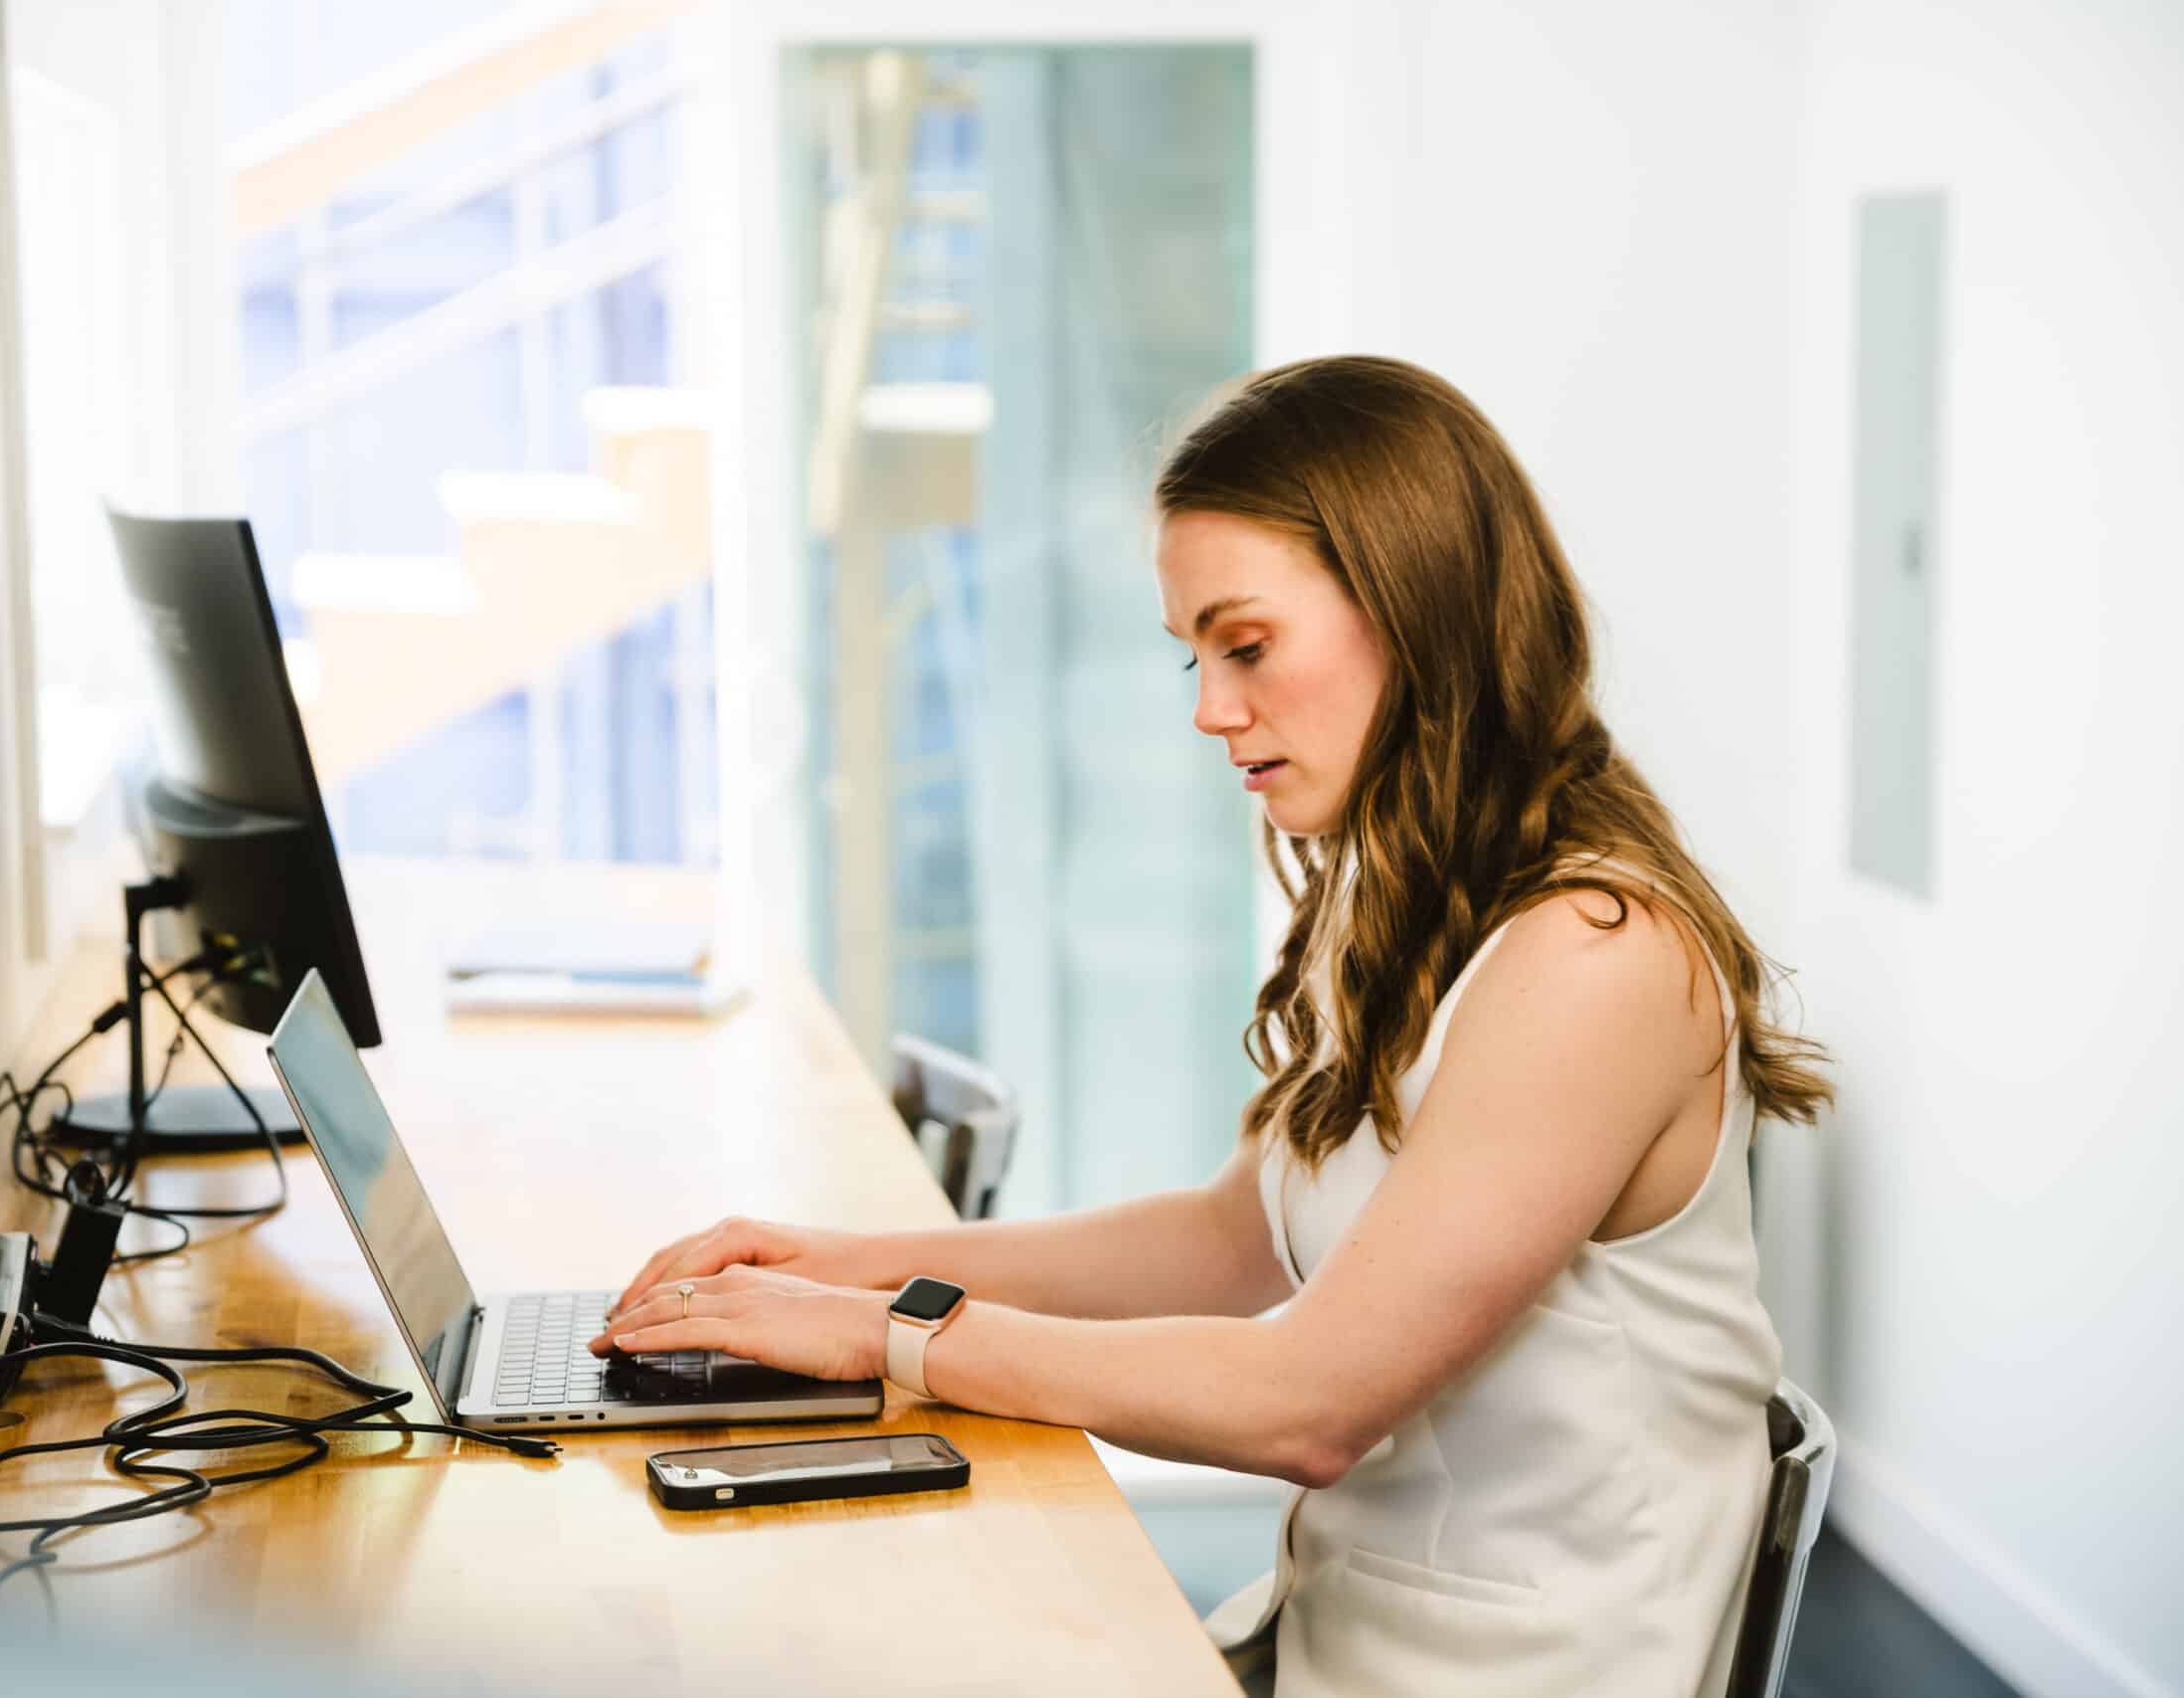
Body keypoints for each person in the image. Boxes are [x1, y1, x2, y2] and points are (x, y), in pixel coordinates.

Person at [588, 355, 1831, 1697]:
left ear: (1415, 608)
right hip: (1336, 1645)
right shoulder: (1400, 886)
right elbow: (1231, 1238)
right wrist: (839, 1266)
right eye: (1196, 656)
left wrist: (894, 1335)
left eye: (1248, 646)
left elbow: (1311, 1404)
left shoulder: (1597, 958)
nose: (1209, 710)